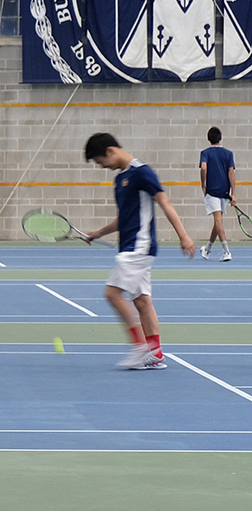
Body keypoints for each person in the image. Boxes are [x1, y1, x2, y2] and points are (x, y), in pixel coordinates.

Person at [82, 132, 195, 370]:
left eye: (101, 161)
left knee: (112, 294)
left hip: (139, 246)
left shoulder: (143, 172)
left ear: (110, 151)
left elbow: (165, 203)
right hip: (132, 246)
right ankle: (155, 354)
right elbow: (123, 219)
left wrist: (183, 236)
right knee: (143, 302)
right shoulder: (119, 181)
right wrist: (98, 233)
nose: (102, 167)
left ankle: (139, 346)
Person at [198, 126, 235, 261]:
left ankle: (226, 251)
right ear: (220, 138)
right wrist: (233, 194)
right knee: (217, 221)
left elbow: (203, 167)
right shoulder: (228, 154)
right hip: (225, 191)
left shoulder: (205, 153)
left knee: (218, 220)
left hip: (212, 191)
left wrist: (203, 184)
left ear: (209, 139)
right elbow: (231, 173)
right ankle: (207, 249)